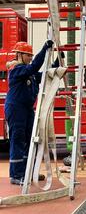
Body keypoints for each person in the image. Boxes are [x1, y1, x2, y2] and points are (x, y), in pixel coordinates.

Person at [5, 40, 54, 185]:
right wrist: (44, 49)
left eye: (31, 55)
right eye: (28, 55)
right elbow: (34, 67)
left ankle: (28, 173)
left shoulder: (28, 72)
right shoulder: (16, 70)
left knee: (30, 140)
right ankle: (16, 175)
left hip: (27, 109)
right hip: (16, 109)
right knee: (18, 140)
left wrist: (57, 63)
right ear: (19, 55)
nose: (30, 58)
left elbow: (43, 75)